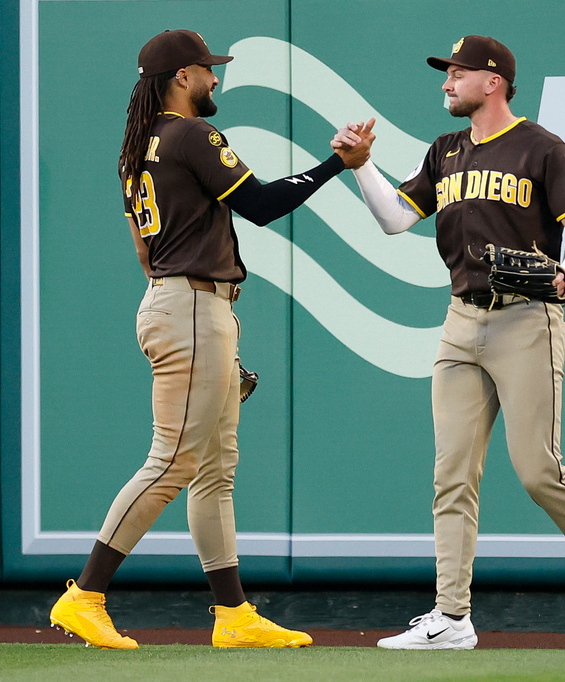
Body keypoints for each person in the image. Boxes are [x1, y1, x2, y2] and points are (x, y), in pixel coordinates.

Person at [49, 28, 372, 650]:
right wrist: (339, 163)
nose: (214, 78)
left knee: (214, 471)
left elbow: (145, 252)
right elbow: (261, 204)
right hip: (193, 308)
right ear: (180, 78)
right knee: (173, 461)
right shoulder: (192, 134)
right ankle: (84, 595)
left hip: (181, 301)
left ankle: (234, 615)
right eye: (206, 69)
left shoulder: (138, 146)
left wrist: (202, 286)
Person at [332, 34, 565, 651]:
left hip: (526, 318)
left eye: (457, 73)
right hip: (460, 321)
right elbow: (395, 219)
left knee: (538, 470)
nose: (446, 82)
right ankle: (452, 617)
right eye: (447, 74)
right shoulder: (445, 150)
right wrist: (362, 164)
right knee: (451, 475)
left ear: (492, 81)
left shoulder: (542, 148)